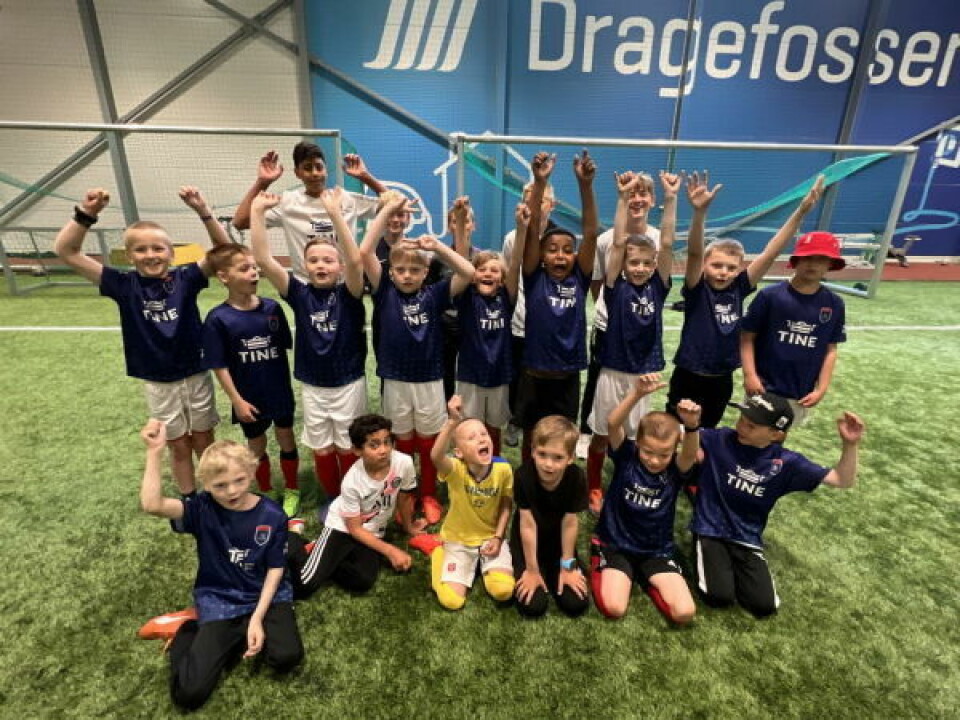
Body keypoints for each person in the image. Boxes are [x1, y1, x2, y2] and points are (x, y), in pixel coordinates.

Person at [53, 186, 229, 494]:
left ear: (171, 252)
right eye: (141, 250)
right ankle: (190, 501)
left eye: (158, 248)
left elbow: (226, 251)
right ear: (129, 255)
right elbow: (66, 251)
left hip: (196, 372)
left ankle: (216, 493)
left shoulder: (186, 279)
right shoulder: (122, 284)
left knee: (203, 439)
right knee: (177, 445)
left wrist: (203, 211)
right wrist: (87, 214)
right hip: (158, 381)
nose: (150, 255)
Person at [137, 420, 303, 711]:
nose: (231, 491)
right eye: (220, 485)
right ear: (205, 485)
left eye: (239, 480)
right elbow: (153, 505)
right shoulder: (201, 508)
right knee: (189, 695)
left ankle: (239, 630)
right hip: (220, 597)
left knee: (286, 657)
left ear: (252, 472)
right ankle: (187, 630)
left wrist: (257, 618)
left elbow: (277, 569)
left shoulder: (273, 514)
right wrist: (154, 452)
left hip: (266, 595)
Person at [689, 392, 865, 617]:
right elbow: (678, 435)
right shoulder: (719, 438)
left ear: (775, 434)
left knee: (764, 606)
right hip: (710, 529)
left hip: (747, 537)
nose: (742, 426)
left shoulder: (787, 463)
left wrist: (850, 445)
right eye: (742, 418)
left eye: (751, 425)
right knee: (718, 596)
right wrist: (690, 433)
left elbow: (842, 480)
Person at [668, 175, 824, 428]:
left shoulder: (739, 288)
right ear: (705, 266)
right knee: (676, 425)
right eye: (716, 265)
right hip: (689, 373)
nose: (723, 272)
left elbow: (771, 252)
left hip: (721, 377)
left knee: (707, 430)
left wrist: (801, 212)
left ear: (739, 269)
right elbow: (695, 251)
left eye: (731, 267)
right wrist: (699, 213)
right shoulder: (697, 289)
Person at [359, 194, 477, 525]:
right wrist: (384, 212)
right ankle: (406, 493)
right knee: (402, 441)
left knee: (428, 440)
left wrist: (438, 247)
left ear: (426, 272)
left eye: (415, 269)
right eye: (400, 270)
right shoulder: (384, 290)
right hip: (395, 378)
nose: (407, 275)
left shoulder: (435, 293)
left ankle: (427, 492)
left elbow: (467, 271)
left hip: (430, 378)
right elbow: (364, 252)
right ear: (391, 272)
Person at [249, 188, 367, 511]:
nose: (320, 265)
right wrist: (258, 213)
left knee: (346, 446)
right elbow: (262, 259)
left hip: (348, 383)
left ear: (339, 267)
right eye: (313, 260)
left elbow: (356, 259)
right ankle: (331, 497)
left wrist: (335, 215)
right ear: (304, 265)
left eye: (328, 260)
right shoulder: (299, 293)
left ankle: (350, 497)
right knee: (323, 447)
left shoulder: (350, 293)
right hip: (313, 384)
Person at [585, 170, 679, 514]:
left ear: (655, 265)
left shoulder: (659, 284)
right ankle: (593, 485)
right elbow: (620, 241)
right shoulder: (614, 285)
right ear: (622, 264)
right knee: (600, 432)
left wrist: (670, 199)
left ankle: (629, 483)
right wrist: (623, 198)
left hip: (647, 373)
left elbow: (667, 242)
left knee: (641, 436)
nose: (638, 268)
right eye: (632, 263)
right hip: (613, 368)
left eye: (645, 263)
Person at [590, 374, 699, 624]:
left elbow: (691, 454)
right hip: (615, 543)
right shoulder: (626, 456)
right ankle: (600, 554)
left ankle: (646, 578)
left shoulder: (675, 470)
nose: (654, 460)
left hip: (656, 550)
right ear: (637, 443)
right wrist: (636, 394)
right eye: (648, 451)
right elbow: (613, 424)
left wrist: (692, 426)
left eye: (664, 454)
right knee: (614, 608)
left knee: (684, 612)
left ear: (674, 451)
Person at [203, 244, 301, 517]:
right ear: (224, 276)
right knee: (255, 446)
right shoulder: (218, 319)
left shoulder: (272, 308)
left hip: (279, 390)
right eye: (245, 268)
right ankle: (266, 490)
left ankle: (292, 489)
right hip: (247, 396)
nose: (254, 273)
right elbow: (219, 365)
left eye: (255, 268)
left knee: (286, 438)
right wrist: (237, 400)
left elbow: (283, 346)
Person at [285, 414, 426, 598]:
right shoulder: (351, 481)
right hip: (343, 527)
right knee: (304, 585)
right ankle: (293, 536)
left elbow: (405, 497)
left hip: (371, 531)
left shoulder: (404, 463)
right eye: (374, 445)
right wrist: (390, 550)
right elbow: (354, 528)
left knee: (363, 581)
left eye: (387, 442)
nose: (383, 450)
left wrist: (408, 527)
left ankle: (323, 552)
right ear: (357, 450)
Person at [517, 150, 598, 459]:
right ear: (541, 254)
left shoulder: (579, 278)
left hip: (566, 377)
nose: (560, 256)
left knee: (563, 437)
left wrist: (585, 185)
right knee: (531, 438)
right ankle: (528, 486)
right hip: (534, 375)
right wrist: (539, 182)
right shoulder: (534, 277)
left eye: (567, 250)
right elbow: (535, 227)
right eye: (552, 250)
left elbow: (590, 233)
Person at [580, 171, 661, 456]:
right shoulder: (607, 241)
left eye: (643, 193)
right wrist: (612, 314)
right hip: (609, 326)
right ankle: (588, 431)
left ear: (652, 199)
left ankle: (624, 445)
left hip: (643, 327)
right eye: (632, 193)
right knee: (598, 381)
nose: (637, 198)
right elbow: (599, 281)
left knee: (636, 389)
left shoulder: (658, 239)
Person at [409, 396, 515, 610]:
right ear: (459, 452)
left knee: (503, 591)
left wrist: (498, 536)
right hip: (458, 541)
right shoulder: (455, 469)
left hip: (489, 538)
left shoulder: (503, 469)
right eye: (472, 438)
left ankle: (481, 563)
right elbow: (435, 455)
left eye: (484, 434)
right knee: (452, 601)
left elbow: (506, 505)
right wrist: (452, 422)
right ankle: (438, 552)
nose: (481, 439)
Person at [740, 223, 846, 425]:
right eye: (807, 257)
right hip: (763, 386)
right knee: (749, 431)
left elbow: (830, 350)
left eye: (821, 259)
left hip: (799, 391)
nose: (812, 264)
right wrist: (750, 375)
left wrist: (821, 388)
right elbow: (746, 337)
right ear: (796, 261)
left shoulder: (834, 304)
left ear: (830, 264)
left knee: (778, 437)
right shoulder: (769, 296)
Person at [231, 143, 386, 280]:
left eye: (319, 167)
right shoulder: (287, 202)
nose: (314, 173)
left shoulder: (344, 198)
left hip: (346, 286)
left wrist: (366, 177)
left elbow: (395, 204)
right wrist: (262, 182)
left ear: (326, 171)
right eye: (307, 168)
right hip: (306, 289)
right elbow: (240, 221)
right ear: (297, 173)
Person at [452, 199, 529, 454]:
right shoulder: (466, 296)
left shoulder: (506, 299)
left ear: (503, 278)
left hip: (499, 373)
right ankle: (467, 465)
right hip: (470, 374)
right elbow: (462, 258)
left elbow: (515, 262)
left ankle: (493, 463)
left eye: (495, 270)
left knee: (494, 426)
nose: (488, 273)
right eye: (482, 269)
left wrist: (521, 228)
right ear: (472, 275)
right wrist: (462, 221)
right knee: (469, 424)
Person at [511, 415, 590, 618]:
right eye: (542, 454)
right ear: (532, 451)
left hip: (559, 544)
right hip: (528, 544)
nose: (548, 464)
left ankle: (560, 570)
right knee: (533, 606)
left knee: (575, 603)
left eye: (558, 457)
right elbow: (527, 525)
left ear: (571, 458)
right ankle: (536, 570)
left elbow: (570, 523)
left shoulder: (577, 477)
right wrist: (531, 569)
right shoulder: (522, 476)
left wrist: (568, 566)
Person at [500, 180, 558, 447]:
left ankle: (542, 423)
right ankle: (515, 420)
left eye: (541, 199)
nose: (534, 205)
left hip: (549, 326)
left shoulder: (560, 240)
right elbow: (508, 277)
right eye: (528, 199)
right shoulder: (513, 238)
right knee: (517, 375)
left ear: (552, 205)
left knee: (544, 377)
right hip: (519, 321)